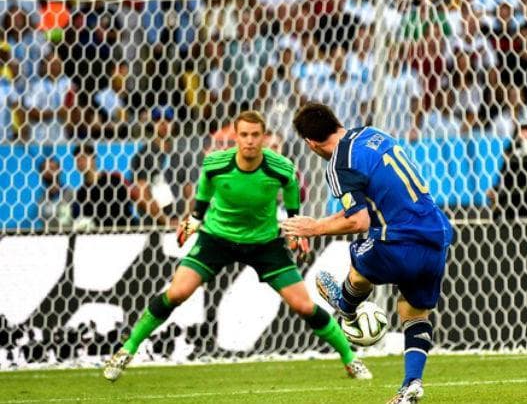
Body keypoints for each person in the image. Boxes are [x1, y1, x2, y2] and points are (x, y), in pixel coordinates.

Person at [103, 111, 371, 381]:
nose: (250, 141)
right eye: (244, 135)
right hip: (217, 239)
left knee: (303, 306)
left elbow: (291, 188)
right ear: (235, 136)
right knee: (176, 293)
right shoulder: (215, 164)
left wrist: (293, 226)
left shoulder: (280, 167)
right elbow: (205, 186)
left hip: (264, 242)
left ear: (264, 137)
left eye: (256, 135)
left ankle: (350, 358)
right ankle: (127, 350)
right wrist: (195, 218)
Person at [283, 103, 453, 404]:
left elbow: (357, 220)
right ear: (337, 122)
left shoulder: (338, 163)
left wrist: (315, 227)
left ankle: (346, 309)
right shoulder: (372, 134)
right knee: (413, 312)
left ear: (310, 143)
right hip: (437, 233)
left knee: (359, 266)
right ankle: (411, 385)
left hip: (400, 238)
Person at [72, 143, 132, 229]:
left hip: (122, 231)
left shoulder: (113, 180)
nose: (80, 162)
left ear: (93, 159)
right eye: (77, 160)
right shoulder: (81, 193)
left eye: (84, 158)